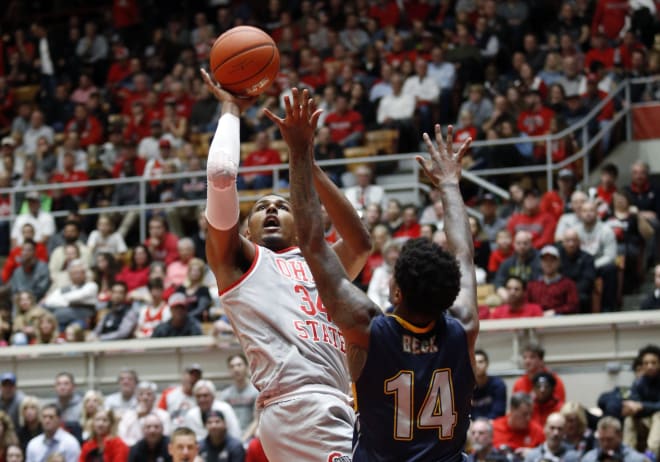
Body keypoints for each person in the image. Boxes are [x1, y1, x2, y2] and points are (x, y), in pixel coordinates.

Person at [282, 76, 478, 462]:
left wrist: (298, 152)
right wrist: (450, 184)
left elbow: (311, 242)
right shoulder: (464, 325)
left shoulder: (367, 327)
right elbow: (465, 256)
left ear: (397, 292)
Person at [200, 71, 371, 461]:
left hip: (338, 403)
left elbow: (361, 241)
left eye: (283, 206)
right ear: (247, 229)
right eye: (262, 208)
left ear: (302, 224)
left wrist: (305, 159)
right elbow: (222, 177)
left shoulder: (322, 265)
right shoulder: (240, 263)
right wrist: (230, 108)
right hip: (298, 405)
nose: (272, 209)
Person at [622, 344, 660, 458]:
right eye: (646, 363)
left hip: (658, 421)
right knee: (629, 418)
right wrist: (633, 408)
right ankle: (628, 455)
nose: (649, 366)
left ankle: (650, 457)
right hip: (646, 420)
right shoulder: (638, 383)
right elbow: (634, 404)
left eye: (653, 363)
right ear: (642, 366)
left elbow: (640, 405)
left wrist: (642, 406)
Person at [526, 245, 580, 315]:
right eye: (545, 260)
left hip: (560, 320)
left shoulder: (568, 284)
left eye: (552, 260)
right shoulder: (532, 285)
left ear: (558, 262)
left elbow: (573, 306)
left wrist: (555, 311)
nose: (548, 263)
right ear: (541, 263)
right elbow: (526, 305)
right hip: (536, 320)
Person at [218, 354, 258, 435]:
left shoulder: (256, 392)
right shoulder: (225, 395)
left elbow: (257, 420)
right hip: (230, 437)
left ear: (247, 367)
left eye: (239, 365)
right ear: (229, 370)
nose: (236, 369)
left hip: (251, 436)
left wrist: (244, 439)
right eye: (232, 366)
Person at [582, 417, 646, 462]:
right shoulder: (589, 459)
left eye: (609, 439)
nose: (605, 444)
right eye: (601, 439)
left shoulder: (635, 459)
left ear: (620, 436)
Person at [472, 350, 507, 420]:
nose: (477, 365)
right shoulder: (466, 388)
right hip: (472, 426)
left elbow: (499, 413)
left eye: (480, 362)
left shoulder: (498, 385)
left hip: (493, 424)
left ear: (487, 364)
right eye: (474, 362)